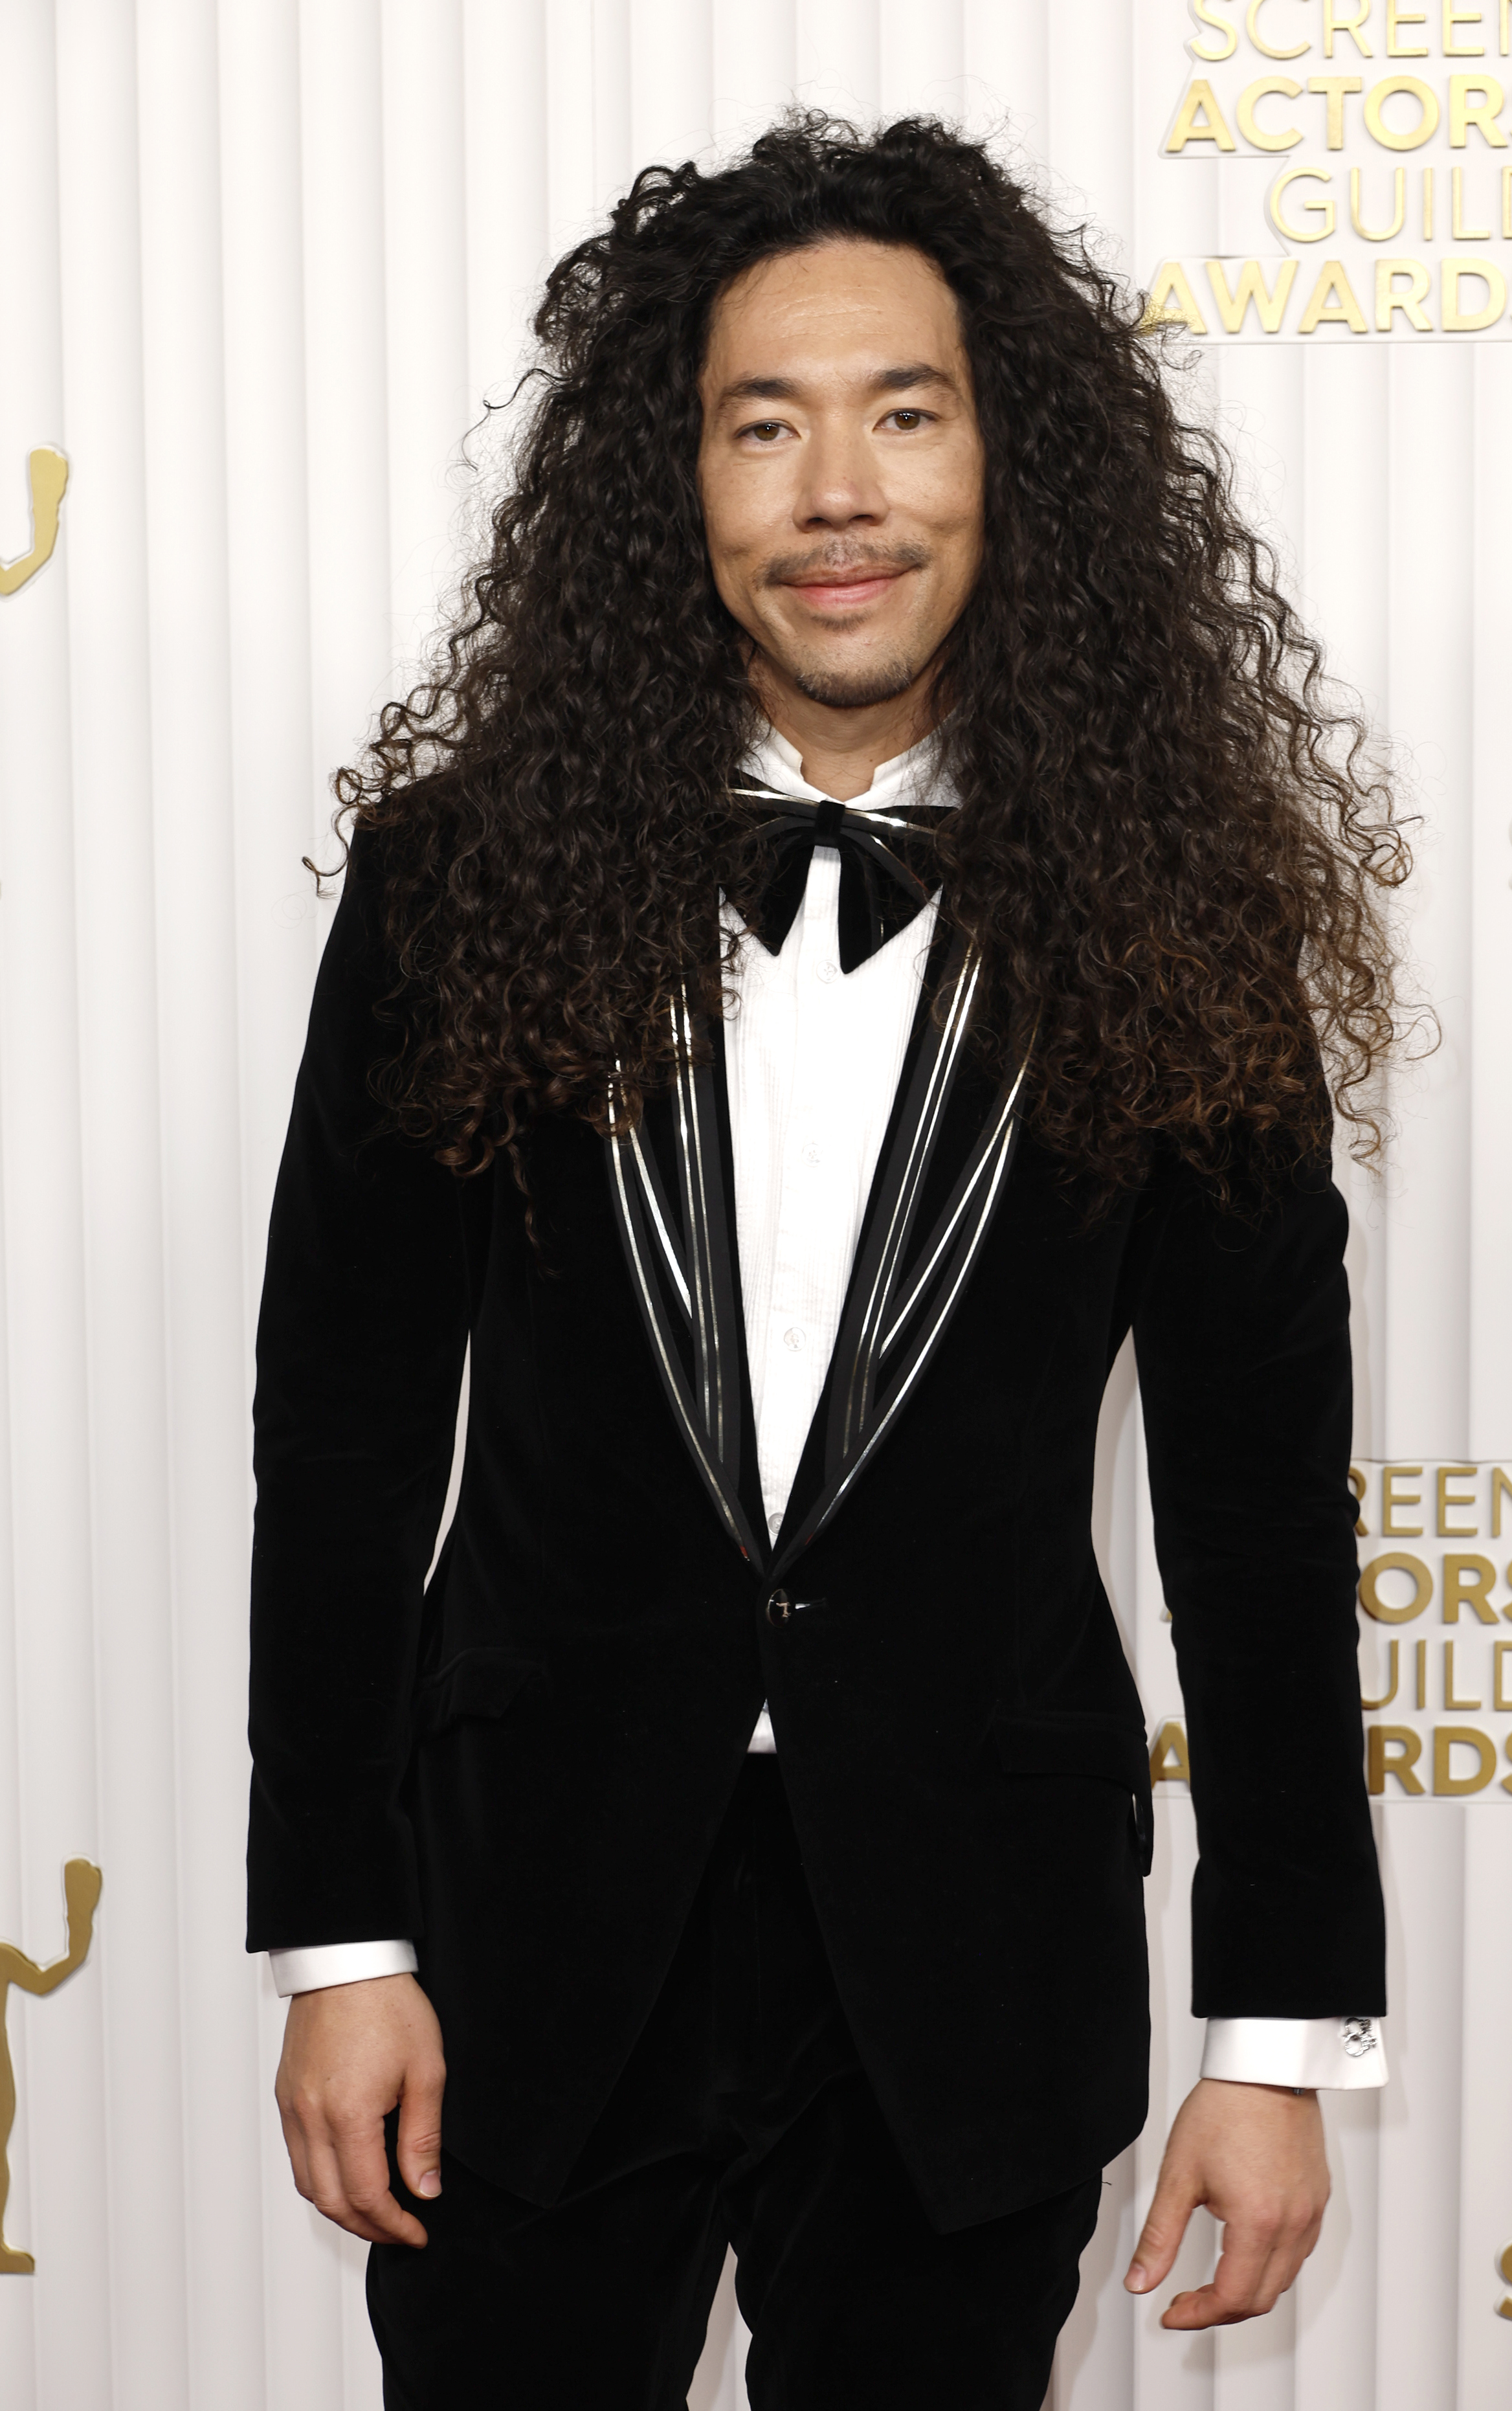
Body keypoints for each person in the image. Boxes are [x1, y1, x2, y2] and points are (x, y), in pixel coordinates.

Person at [249, 115, 1401, 2409]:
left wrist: (1275, 2037)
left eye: (902, 411)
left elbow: (1261, 1510)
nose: (835, 491)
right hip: (529, 1941)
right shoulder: (459, 876)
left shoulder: (1179, 914)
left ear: (1010, 461)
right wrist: (337, 1936)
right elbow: (349, 1433)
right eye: (761, 425)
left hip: (970, 1950)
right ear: (669, 486)